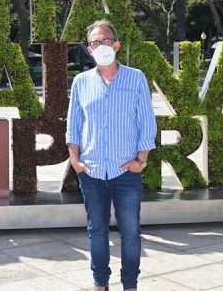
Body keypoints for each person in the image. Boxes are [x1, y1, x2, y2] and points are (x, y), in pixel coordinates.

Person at [65, 20, 157, 291]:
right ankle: (100, 282)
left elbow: (147, 123)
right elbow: (74, 124)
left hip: (126, 171)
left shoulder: (136, 77)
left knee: (130, 232)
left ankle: (130, 284)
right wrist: (75, 161)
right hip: (92, 171)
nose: (101, 45)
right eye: (95, 42)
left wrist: (141, 161)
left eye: (105, 40)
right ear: (89, 50)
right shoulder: (81, 82)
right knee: (96, 231)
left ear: (116, 45)